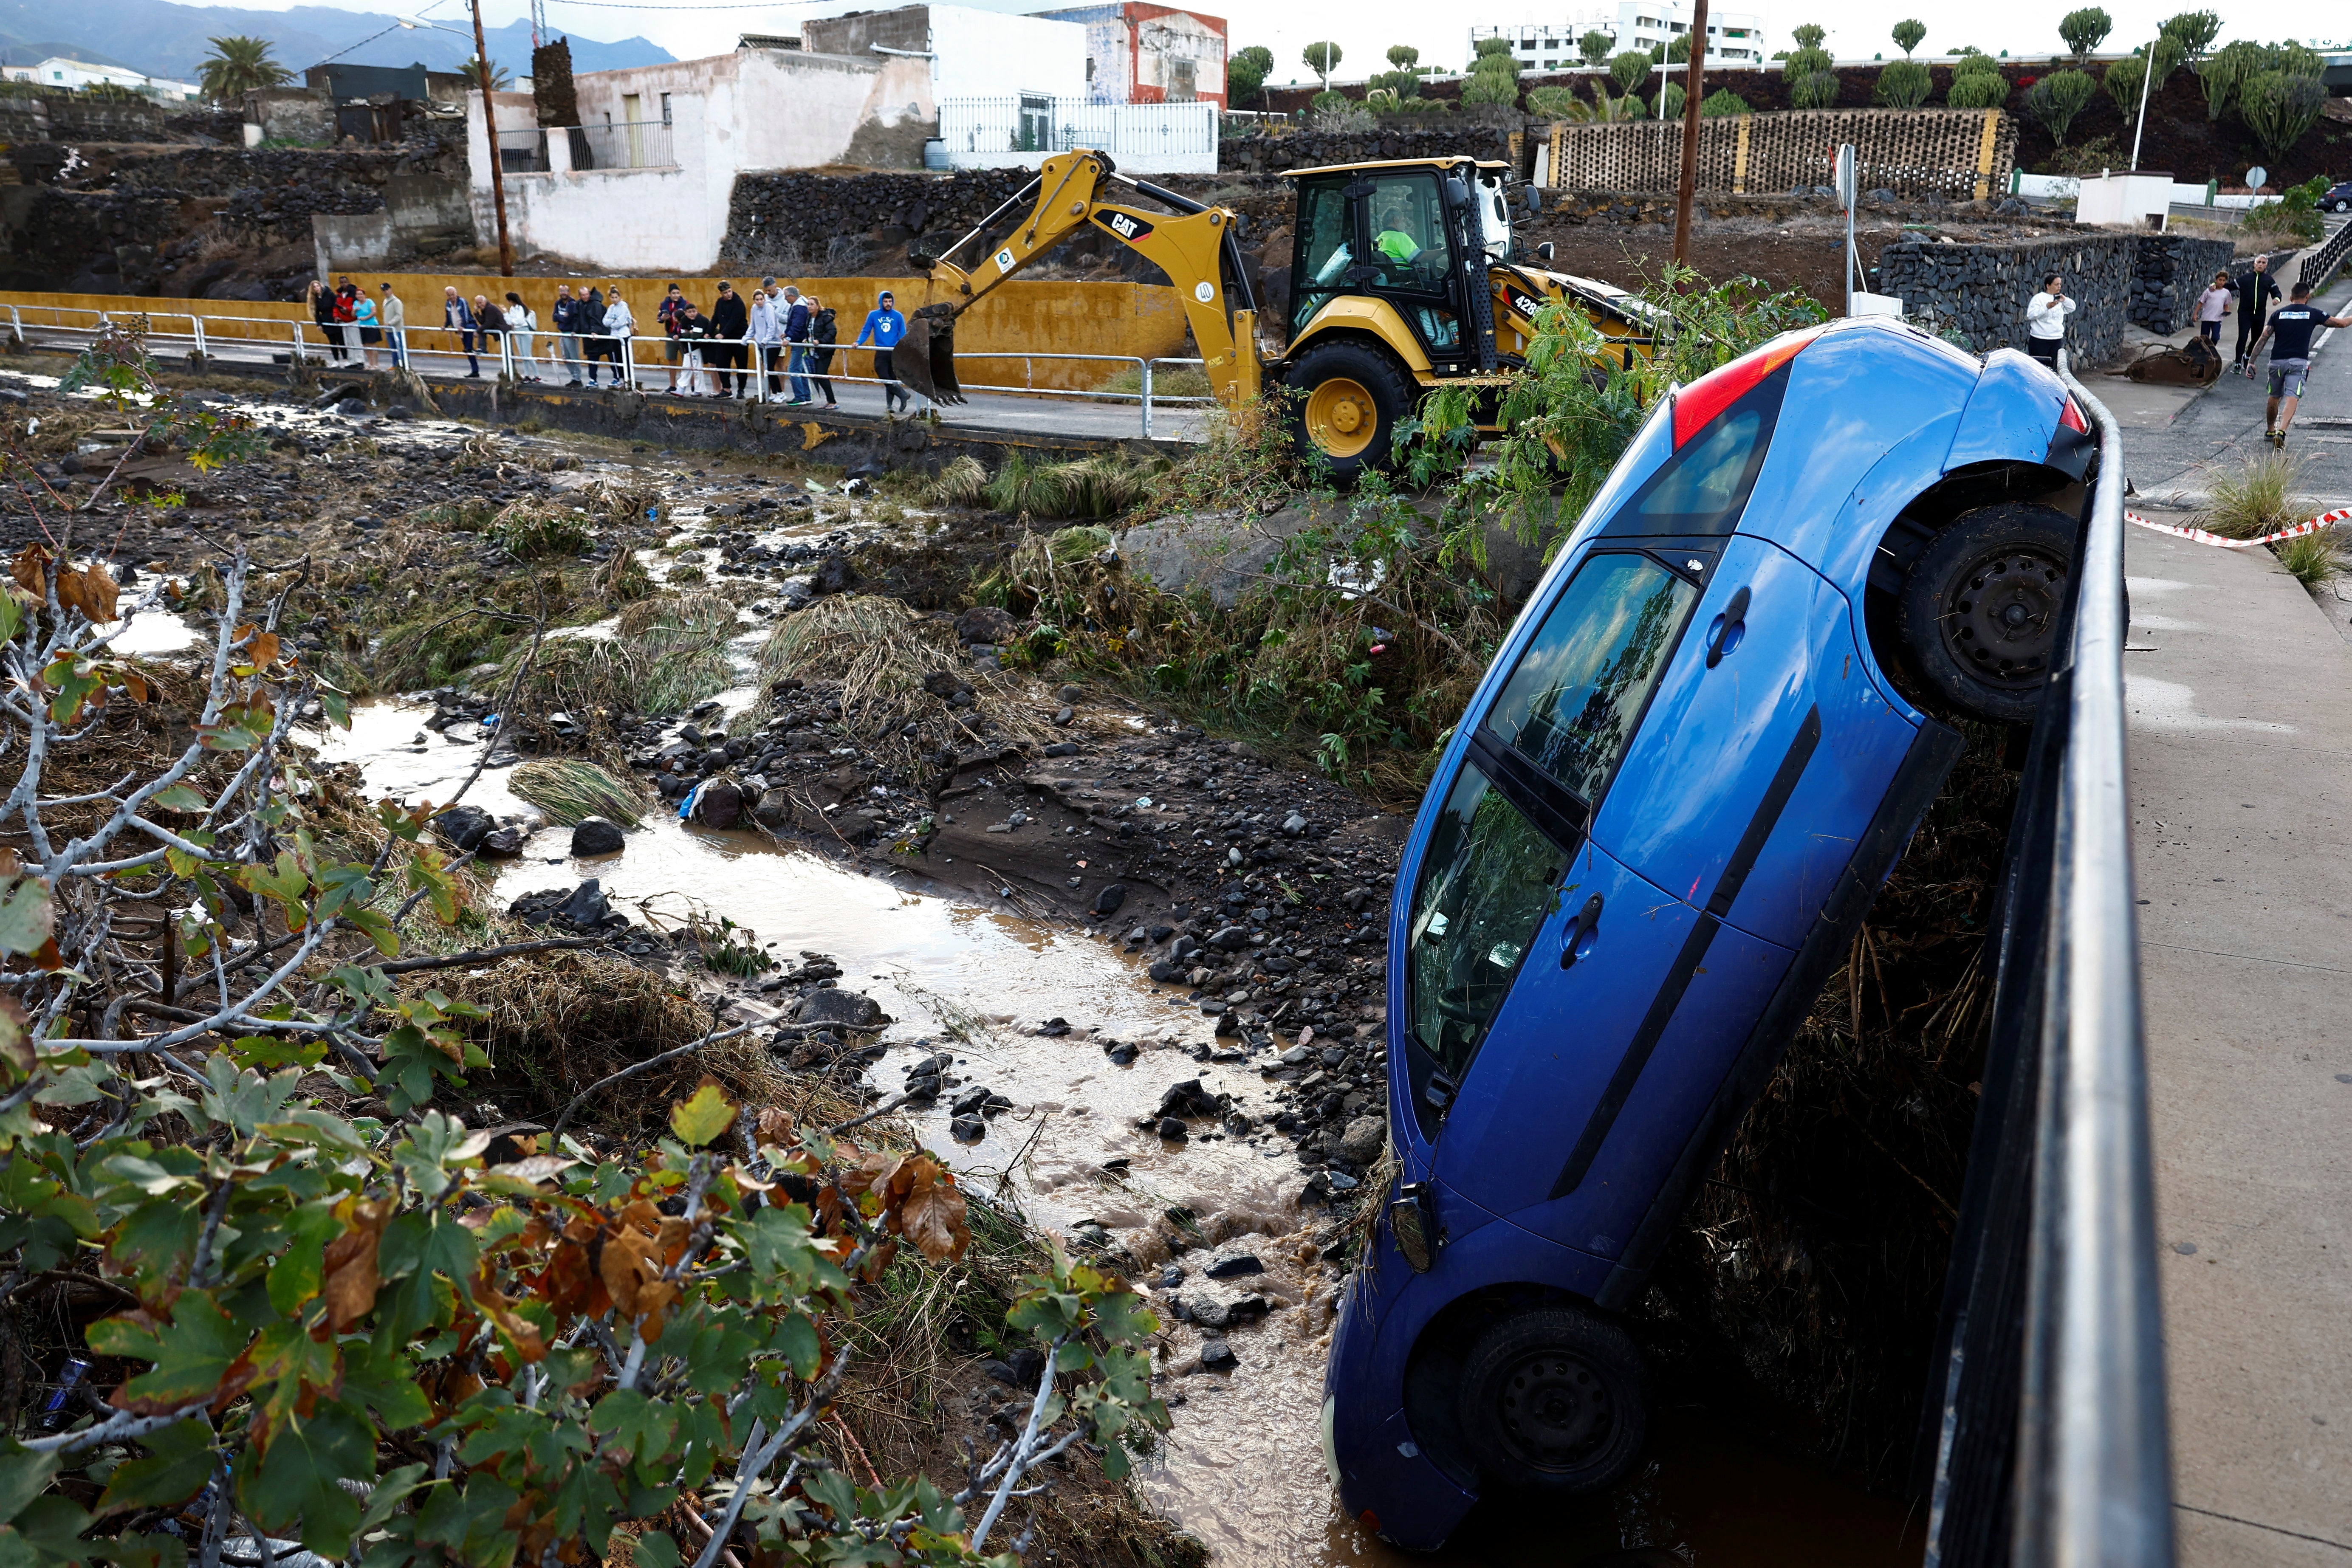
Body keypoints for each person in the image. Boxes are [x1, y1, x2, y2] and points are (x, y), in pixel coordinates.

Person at [2248, 281, 2352, 449]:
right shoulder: (2313, 313)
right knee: (2293, 396)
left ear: (2291, 297)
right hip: (2298, 363)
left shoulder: (2278, 314)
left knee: (2274, 397)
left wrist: (2251, 362)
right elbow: (2341, 324)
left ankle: (2270, 431)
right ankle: (2281, 431)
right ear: (2307, 297)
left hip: (2276, 362)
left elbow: (2263, 338)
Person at [856, 288, 911, 414]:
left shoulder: (898, 316)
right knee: (883, 374)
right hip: (881, 350)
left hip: (894, 350)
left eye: (890, 301)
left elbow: (902, 334)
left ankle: (890, 405)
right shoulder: (873, 315)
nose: (888, 304)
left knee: (891, 378)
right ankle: (903, 394)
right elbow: (866, 331)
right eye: (886, 301)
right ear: (881, 302)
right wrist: (859, 342)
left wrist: (901, 349)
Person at [2232, 254, 2280, 375]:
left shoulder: (2269, 280)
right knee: (2242, 337)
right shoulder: (2245, 279)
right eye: (2259, 262)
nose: (2261, 265)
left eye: (2264, 263)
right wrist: (2214, 286)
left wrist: (2277, 299)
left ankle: (2247, 356)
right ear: (2254, 264)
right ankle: (2238, 363)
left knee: (2257, 338)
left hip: (2259, 314)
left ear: (2266, 265)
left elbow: (2277, 293)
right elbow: (2229, 286)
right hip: (2244, 313)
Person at [2023, 272, 2075, 369]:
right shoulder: (2039, 298)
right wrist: (2047, 307)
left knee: (2054, 368)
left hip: (2056, 339)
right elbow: (2031, 315)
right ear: (2048, 285)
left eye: (2060, 284)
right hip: (2040, 339)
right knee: (2039, 368)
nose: (2059, 287)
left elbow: (2072, 308)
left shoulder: (2060, 299)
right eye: (2056, 284)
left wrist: (2065, 300)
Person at [709, 280, 749, 398]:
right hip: (725, 340)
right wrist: (709, 332)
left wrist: (723, 334)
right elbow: (715, 318)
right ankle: (726, 389)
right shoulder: (720, 303)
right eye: (725, 293)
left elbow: (734, 321)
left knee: (741, 365)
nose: (728, 294)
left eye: (730, 291)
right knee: (721, 363)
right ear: (721, 294)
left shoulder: (738, 303)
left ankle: (741, 389)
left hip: (739, 338)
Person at [748, 285, 782, 399]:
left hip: (773, 343)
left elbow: (772, 326)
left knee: (770, 368)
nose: (759, 302)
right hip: (762, 344)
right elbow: (753, 325)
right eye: (757, 300)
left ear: (764, 299)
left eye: (761, 299)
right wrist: (747, 337)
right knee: (767, 368)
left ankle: (779, 393)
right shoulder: (754, 309)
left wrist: (767, 339)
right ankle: (774, 393)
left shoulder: (769, 308)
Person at [599, 288, 636, 389]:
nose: (615, 299)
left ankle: (628, 379)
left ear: (619, 297)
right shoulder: (611, 308)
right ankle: (620, 378)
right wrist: (614, 321)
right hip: (614, 336)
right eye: (612, 297)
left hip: (624, 336)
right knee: (617, 359)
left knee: (626, 358)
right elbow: (605, 322)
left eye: (616, 297)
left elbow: (620, 323)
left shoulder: (624, 307)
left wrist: (614, 323)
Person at [657, 282, 692, 391]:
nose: (676, 295)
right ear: (670, 294)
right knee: (671, 360)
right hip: (671, 335)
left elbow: (692, 317)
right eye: (674, 293)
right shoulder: (664, 305)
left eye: (678, 293)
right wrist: (663, 318)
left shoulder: (686, 304)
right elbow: (659, 319)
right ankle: (673, 386)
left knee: (688, 361)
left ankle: (693, 387)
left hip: (683, 335)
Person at [783, 284, 813, 405]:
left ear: (792, 296)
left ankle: (800, 397)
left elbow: (797, 325)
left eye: (786, 297)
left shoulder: (799, 308)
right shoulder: (801, 304)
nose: (785, 299)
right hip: (800, 341)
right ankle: (806, 396)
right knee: (800, 369)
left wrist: (789, 337)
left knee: (793, 369)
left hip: (798, 342)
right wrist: (786, 334)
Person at [807, 297, 838, 408]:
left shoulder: (825, 317)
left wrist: (821, 341)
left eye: (812, 304)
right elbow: (809, 331)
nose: (809, 306)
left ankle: (833, 401)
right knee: (819, 376)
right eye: (808, 304)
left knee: (821, 375)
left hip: (825, 351)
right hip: (813, 351)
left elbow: (832, 331)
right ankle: (830, 401)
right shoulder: (809, 318)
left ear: (817, 306)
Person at [503, 292, 542, 381]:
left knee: (527, 354)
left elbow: (519, 321)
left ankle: (537, 375)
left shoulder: (521, 308)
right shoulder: (512, 309)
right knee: (523, 355)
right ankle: (527, 375)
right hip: (517, 331)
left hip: (525, 331)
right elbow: (509, 321)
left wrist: (512, 320)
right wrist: (508, 315)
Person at [443, 286, 480, 378]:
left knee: (469, 348)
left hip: (468, 327)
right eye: (449, 295)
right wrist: (445, 326)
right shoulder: (448, 304)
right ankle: (475, 370)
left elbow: (467, 316)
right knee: (468, 350)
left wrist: (463, 326)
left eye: (453, 295)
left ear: (456, 294)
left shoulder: (462, 301)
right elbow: (448, 317)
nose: (451, 297)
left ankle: (475, 370)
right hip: (460, 330)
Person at [553, 284, 584, 385]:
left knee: (574, 356)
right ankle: (573, 376)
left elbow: (568, 319)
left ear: (569, 292)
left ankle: (578, 378)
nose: (563, 293)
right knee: (565, 358)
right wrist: (561, 316)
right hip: (562, 333)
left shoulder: (572, 304)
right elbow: (554, 318)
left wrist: (560, 317)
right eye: (561, 291)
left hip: (571, 333)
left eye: (565, 291)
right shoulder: (558, 303)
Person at [2194, 270, 2231, 347]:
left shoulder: (2226, 293)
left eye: (2224, 281)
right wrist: (2195, 314)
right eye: (2220, 280)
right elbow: (2201, 303)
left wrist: (2227, 311)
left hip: (2218, 319)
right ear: (2216, 280)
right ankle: (2204, 351)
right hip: (2207, 318)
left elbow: (2226, 305)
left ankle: (2210, 349)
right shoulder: (2209, 291)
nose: (2221, 282)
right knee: (2204, 338)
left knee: (2215, 337)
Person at [308, 280, 342, 362]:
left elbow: (336, 304)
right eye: (315, 287)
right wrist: (319, 324)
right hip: (326, 320)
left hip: (334, 318)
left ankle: (345, 358)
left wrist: (337, 315)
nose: (317, 288)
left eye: (318, 286)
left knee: (341, 340)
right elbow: (316, 313)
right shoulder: (315, 299)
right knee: (332, 342)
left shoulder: (329, 293)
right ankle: (336, 360)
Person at [473, 294, 508, 376]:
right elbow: (483, 322)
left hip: (503, 331)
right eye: (477, 304)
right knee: (481, 329)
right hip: (498, 330)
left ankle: (510, 370)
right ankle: (482, 348)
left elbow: (488, 323)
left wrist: (478, 331)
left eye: (480, 303)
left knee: (507, 351)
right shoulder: (485, 309)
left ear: (485, 301)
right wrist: (476, 313)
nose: (479, 305)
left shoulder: (490, 309)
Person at [353, 287, 382, 370]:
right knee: (365, 345)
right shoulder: (356, 303)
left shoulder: (370, 302)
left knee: (372, 345)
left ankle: (376, 364)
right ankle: (370, 363)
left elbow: (374, 312)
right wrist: (355, 310)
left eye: (361, 294)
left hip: (371, 325)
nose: (360, 296)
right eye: (358, 294)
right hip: (361, 326)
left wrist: (366, 318)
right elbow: (353, 315)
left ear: (364, 295)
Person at [378, 282, 406, 369]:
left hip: (397, 329)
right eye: (384, 291)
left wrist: (390, 323)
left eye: (387, 290)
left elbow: (399, 315)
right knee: (393, 349)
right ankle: (395, 364)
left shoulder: (396, 302)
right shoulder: (385, 301)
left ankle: (404, 365)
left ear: (391, 289)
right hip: (389, 330)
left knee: (400, 348)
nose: (386, 292)